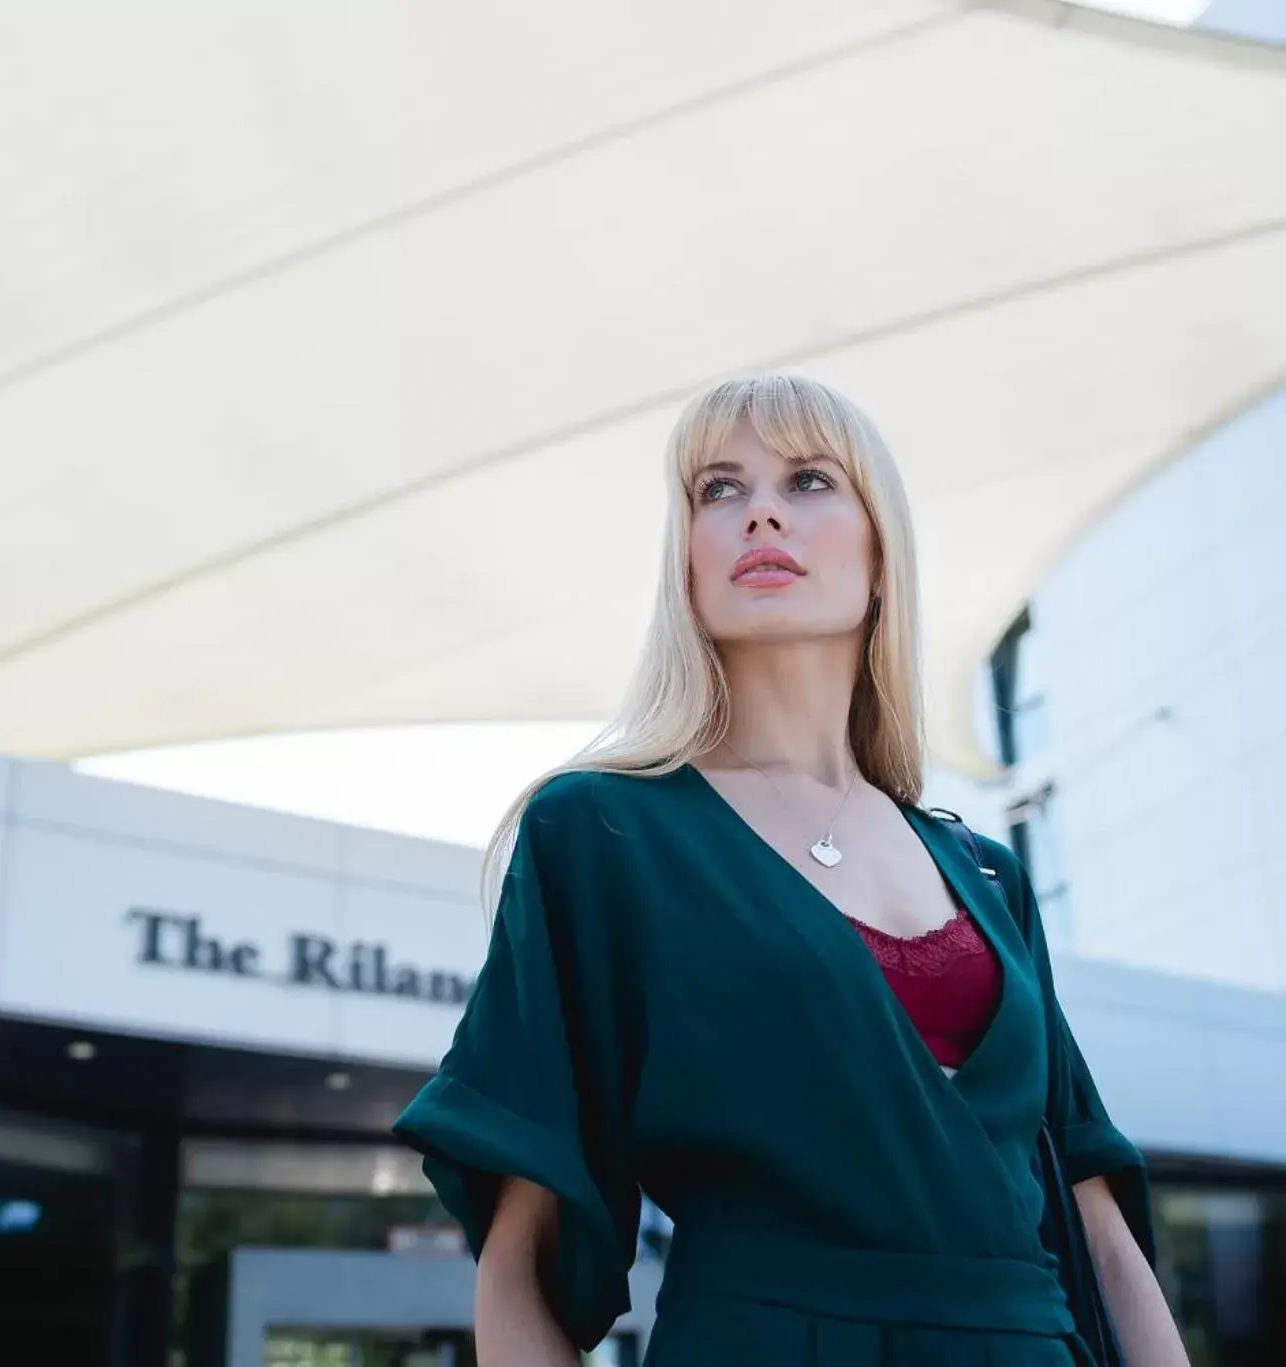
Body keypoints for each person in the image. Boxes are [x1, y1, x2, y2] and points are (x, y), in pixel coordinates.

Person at [392, 375, 1189, 1366]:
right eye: (717, 489)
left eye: (807, 478)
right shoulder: (600, 830)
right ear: (684, 560)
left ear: (881, 553)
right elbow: (522, 1256)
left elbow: (1093, 1218)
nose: (759, 508)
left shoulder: (985, 874)